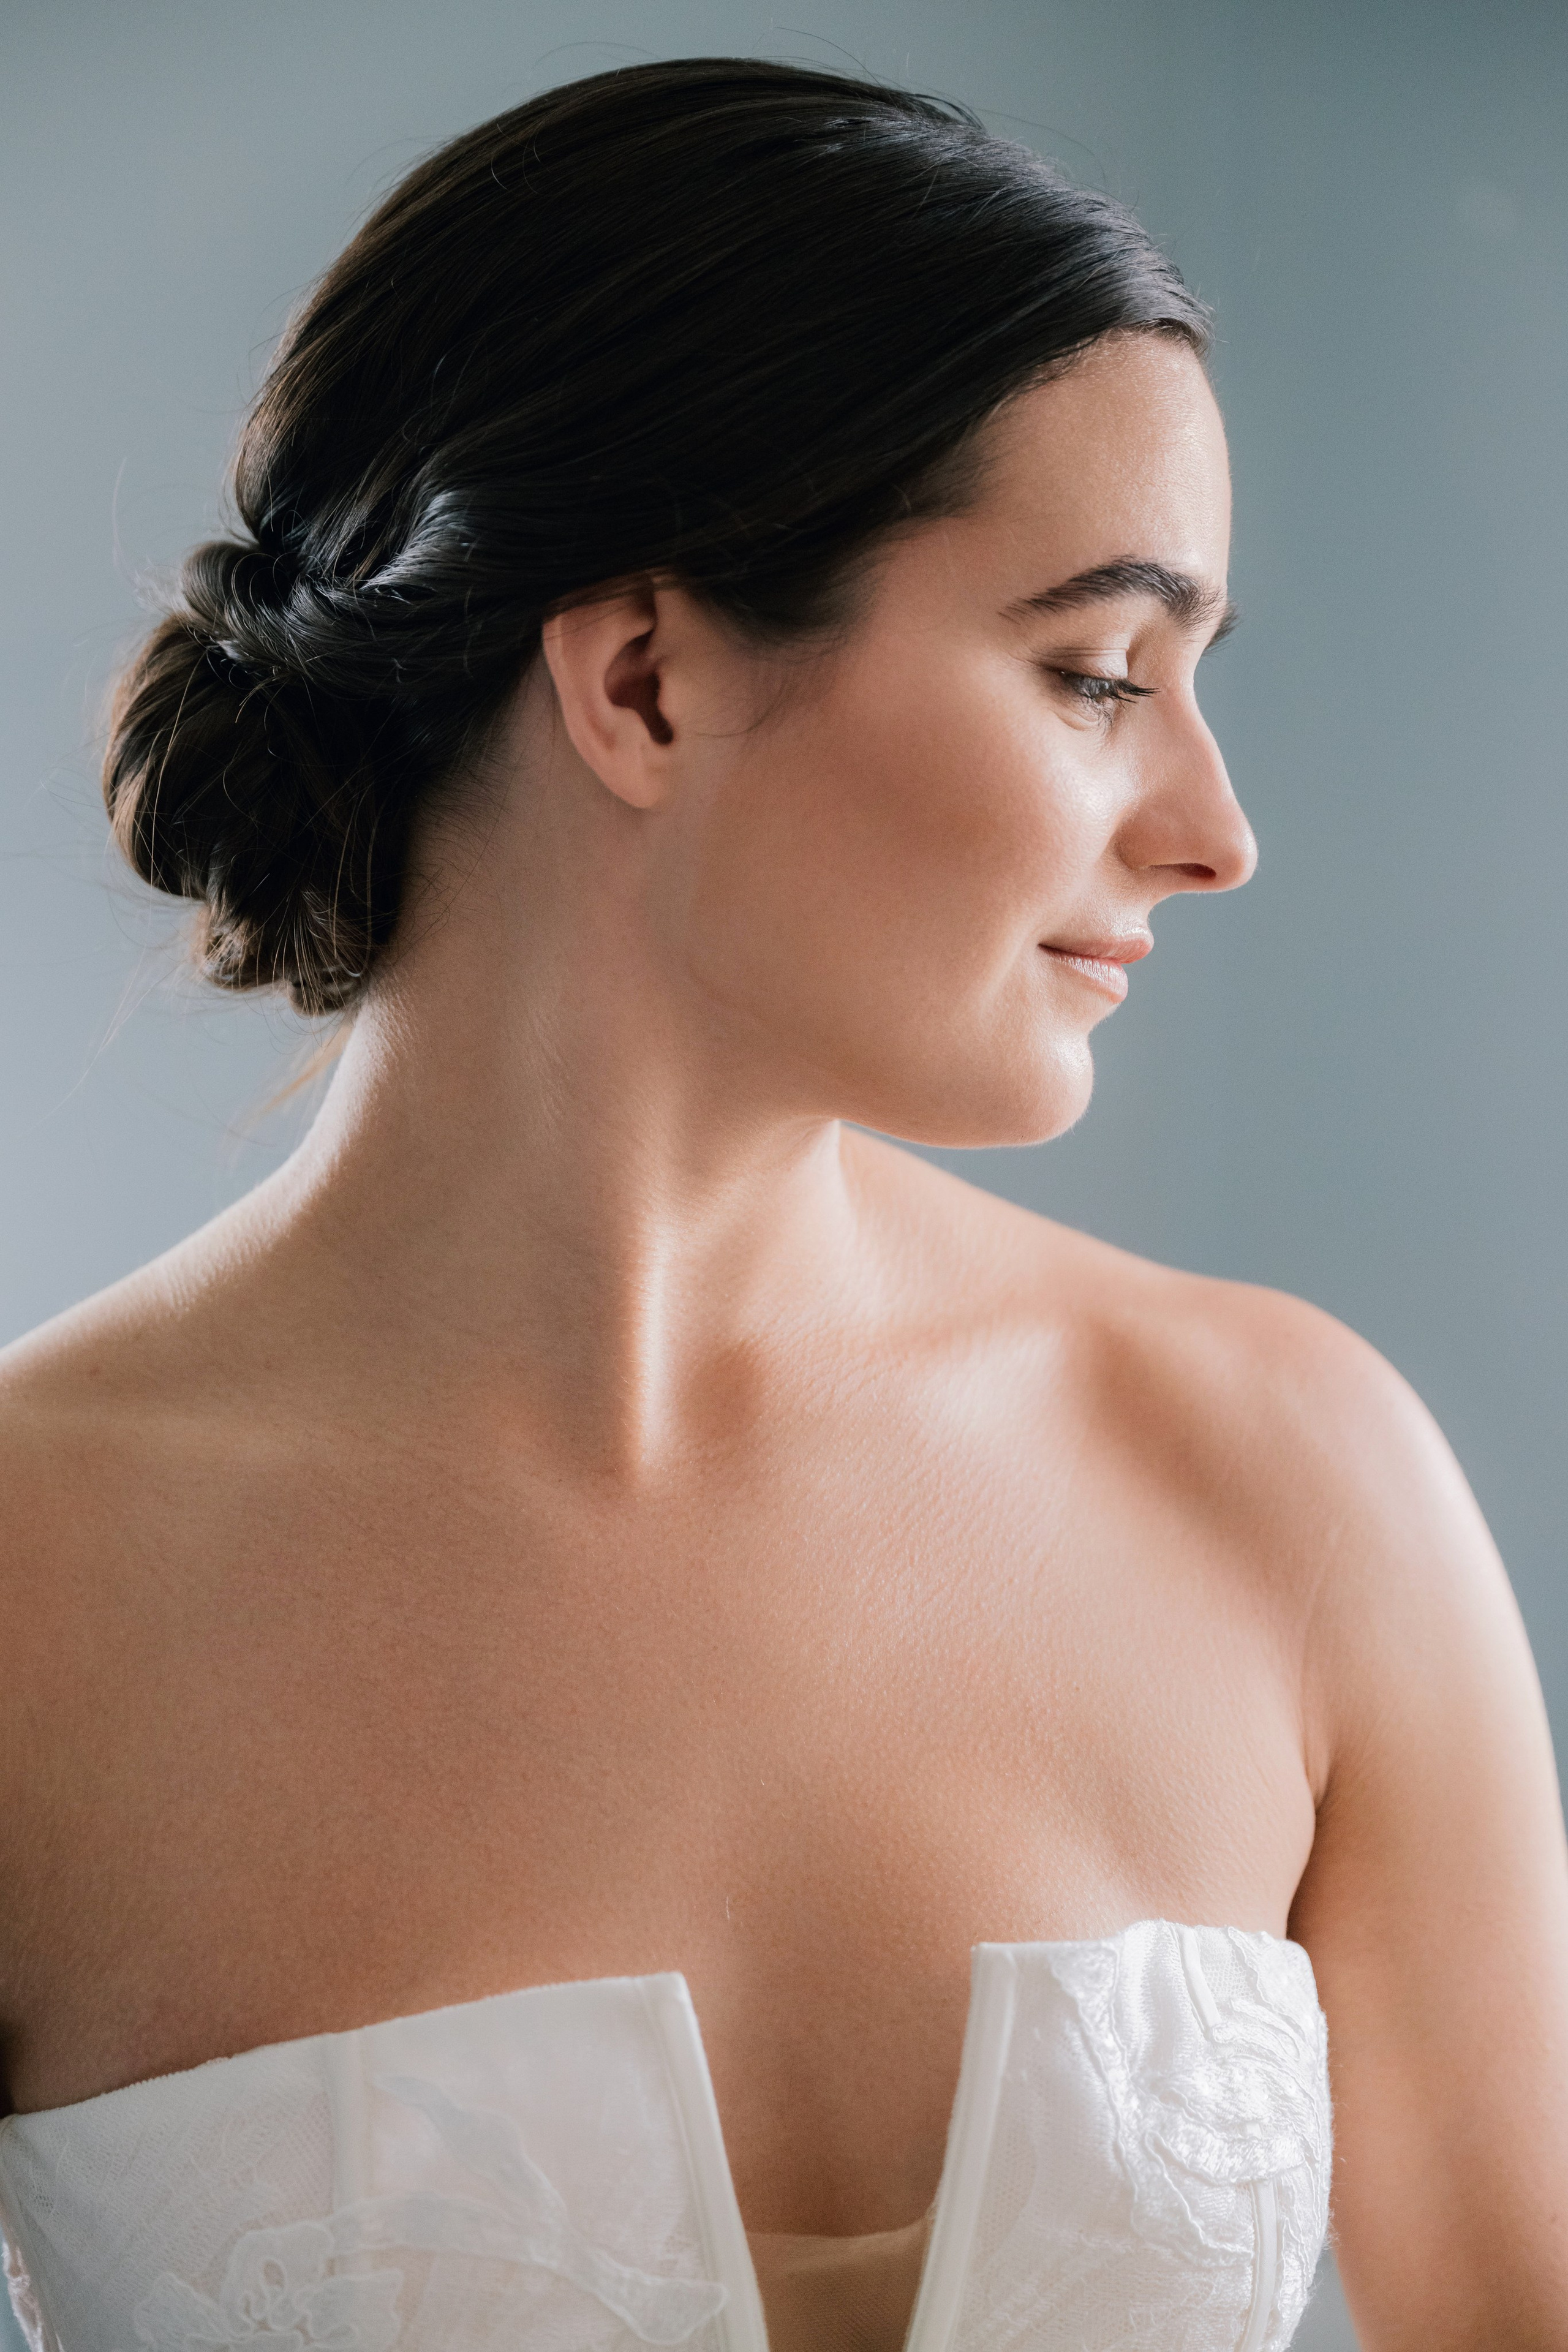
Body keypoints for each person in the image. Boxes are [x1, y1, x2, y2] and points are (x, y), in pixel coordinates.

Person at [0, 56, 1563, 2352]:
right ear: (642, 679)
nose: (1216, 829)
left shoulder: (1292, 1480)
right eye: (1096, 674)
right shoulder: (33, 1605)